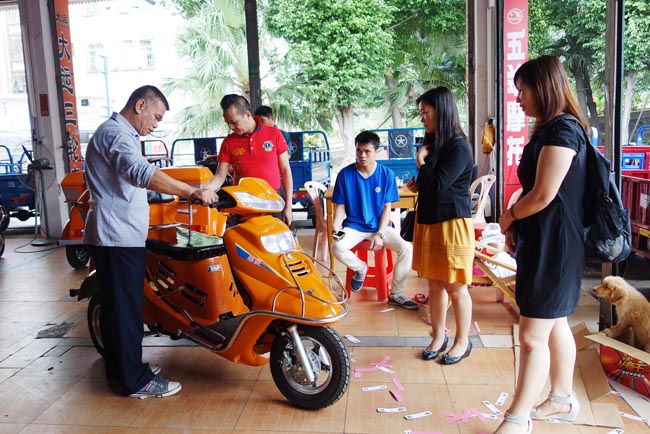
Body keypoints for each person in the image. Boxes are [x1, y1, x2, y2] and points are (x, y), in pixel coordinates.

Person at [84, 85, 204, 398]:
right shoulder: (117, 134)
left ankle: (122, 371)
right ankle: (135, 381)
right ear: (140, 105)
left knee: (118, 309)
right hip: (116, 236)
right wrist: (189, 191)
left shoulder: (118, 134)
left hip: (117, 234)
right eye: (156, 116)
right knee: (126, 312)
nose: (156, 124)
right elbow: (140, 172)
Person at [494, 55, 588, 434]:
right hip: (547, 241)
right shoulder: (552, 128)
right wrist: (517, 217)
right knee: (555, 324)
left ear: (544, 87)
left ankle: (517, 419)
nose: (519, 99)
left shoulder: (562, 131)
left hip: (556, 245)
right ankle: (562, 398)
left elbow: (544, 194)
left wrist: (510, 217)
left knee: (532, 335)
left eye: (523, 90)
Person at [406, 87, 475, 364]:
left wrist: (421, 163)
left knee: (456, 286)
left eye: (426, 112)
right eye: (421, 112)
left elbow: (438, 184)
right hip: (430, 220)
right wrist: (417, 180)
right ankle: (438, 336)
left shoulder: (459, 145)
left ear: (441, 111)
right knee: (434, 285)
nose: (422, 117)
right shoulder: (435, 142)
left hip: (451, 224)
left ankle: (462, 341)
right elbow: (430, 184)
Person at [331, 131, 416, 310]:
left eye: (367, 151)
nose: (362, 155)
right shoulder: (345, 174)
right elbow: (340, 207)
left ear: (377, 151)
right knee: (336, 247)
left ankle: (396, 293)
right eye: (358, 150)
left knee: (407, 248)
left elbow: (387, 208)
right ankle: (361, 268)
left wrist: (379, 233)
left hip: (379, 227)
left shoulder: (386, 174)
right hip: (354, 226)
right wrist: (336, 225)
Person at [196, 96, 293, 224]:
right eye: (227, 123)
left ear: (247, 114)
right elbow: (220, 176)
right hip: (243, 204)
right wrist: (206, 190)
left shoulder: (274, 134)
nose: (231, 126)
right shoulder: (228, 142)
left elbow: (286, 170)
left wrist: (288, 207)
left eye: (234, 122)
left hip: (273, 201)